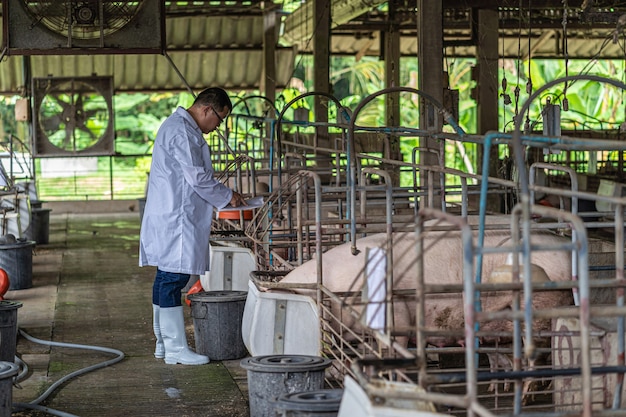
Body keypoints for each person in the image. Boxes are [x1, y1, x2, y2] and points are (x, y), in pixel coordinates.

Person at [139, 87, 246, 365]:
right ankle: (174, 348)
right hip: (175, 216)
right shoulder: (183, 132)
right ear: (207, 110)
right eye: (219, 120)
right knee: (172, 278)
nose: (217, 127)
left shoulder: (181, 128)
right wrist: (227, 195)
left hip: (174, 213)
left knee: (166, 276)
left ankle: (163, 344)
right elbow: (197, 178)